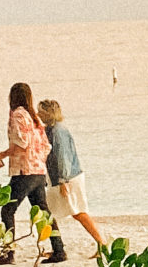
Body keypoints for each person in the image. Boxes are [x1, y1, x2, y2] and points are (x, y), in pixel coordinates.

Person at [0, 80, 65, 266]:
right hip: (38, 170)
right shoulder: (35, 118)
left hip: (25, 171)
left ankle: (9, 253)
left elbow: (20, 144)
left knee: (7, 210)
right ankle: (59, 250)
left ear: (12, 97)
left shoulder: (18, 115)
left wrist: (1, 155)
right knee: (44, 212)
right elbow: (45, 146)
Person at [38, 97, 107, 257]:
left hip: (68, 178)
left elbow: (63, 157)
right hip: (62, 178)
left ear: (49, 113)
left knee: (78, 212)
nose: (38, 114)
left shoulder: (57, 131)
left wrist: (63, 181)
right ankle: (57, 247)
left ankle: (101, 243)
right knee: (49, 212)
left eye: (41, 111)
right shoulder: (51, 129)